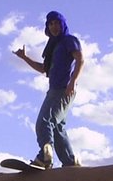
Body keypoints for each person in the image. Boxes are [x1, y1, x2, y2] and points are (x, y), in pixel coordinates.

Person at [13, 10, 84, 168]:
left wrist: (73, 81)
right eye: (50, 24)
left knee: (44, 121)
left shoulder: (68, 40)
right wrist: (25, 58)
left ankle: (45, 157)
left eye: (57, 23)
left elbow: (80, 59)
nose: (54, 26)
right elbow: (44, 69)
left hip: (63, 88)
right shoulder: (53, 47)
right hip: (55, 89)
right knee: (57, 127)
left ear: (62, 24)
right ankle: (70, 161)